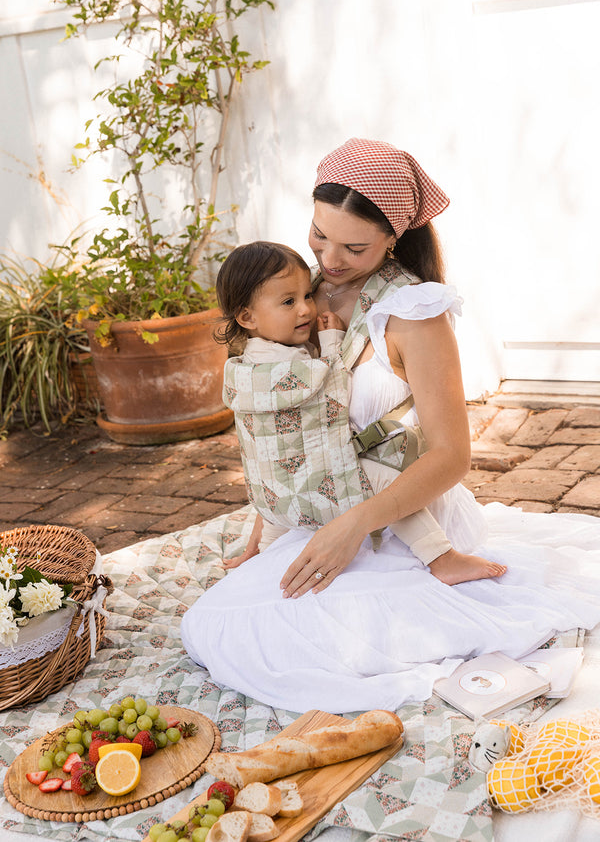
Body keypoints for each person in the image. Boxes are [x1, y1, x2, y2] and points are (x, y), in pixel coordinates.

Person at [180, 138, 600, 714]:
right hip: (322, 506)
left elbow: (452, 457)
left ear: (393, 237)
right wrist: (269, 512)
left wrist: (353, 526)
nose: (328, 259)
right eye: (319, 234)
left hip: (395, 517)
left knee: (271, 640)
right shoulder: (298, 293)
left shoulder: (413, 312)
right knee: (218, 627)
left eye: (353, 247)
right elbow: (288, 421)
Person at [214, 240, 505, 582]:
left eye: (306, 296)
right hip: (322, 481)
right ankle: (441, 558)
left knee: (276, 532)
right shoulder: (290, 362)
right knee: (385, 481)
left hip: (275, 490)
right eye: (289, 302)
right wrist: (334, 340)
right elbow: (332, 389)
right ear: (247, 316)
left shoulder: (243, 364)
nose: (307, 309)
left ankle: (260, 557)